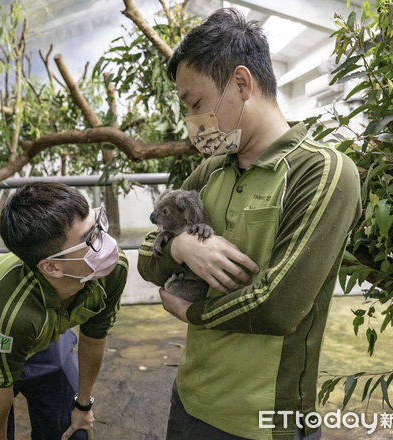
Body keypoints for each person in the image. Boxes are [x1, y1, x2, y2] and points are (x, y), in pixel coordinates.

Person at [138, 8, 362, 440]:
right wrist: (179, 247)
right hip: (189, 398)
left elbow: (278, 306)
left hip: (262, 419)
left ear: (242, 83)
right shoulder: (211, 171)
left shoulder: (322, 172)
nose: (191, 121)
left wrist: (189, 310)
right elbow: (149, 257)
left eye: (197, 103)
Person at [0, 182, 128, 440]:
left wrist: (83, 406)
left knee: (74, 433)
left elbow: (95, 336)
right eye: (91, 239)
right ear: (51, 267)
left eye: (97, 223)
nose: (105, 241)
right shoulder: (11, 313)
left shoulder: (111, 270)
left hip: (42, 338)